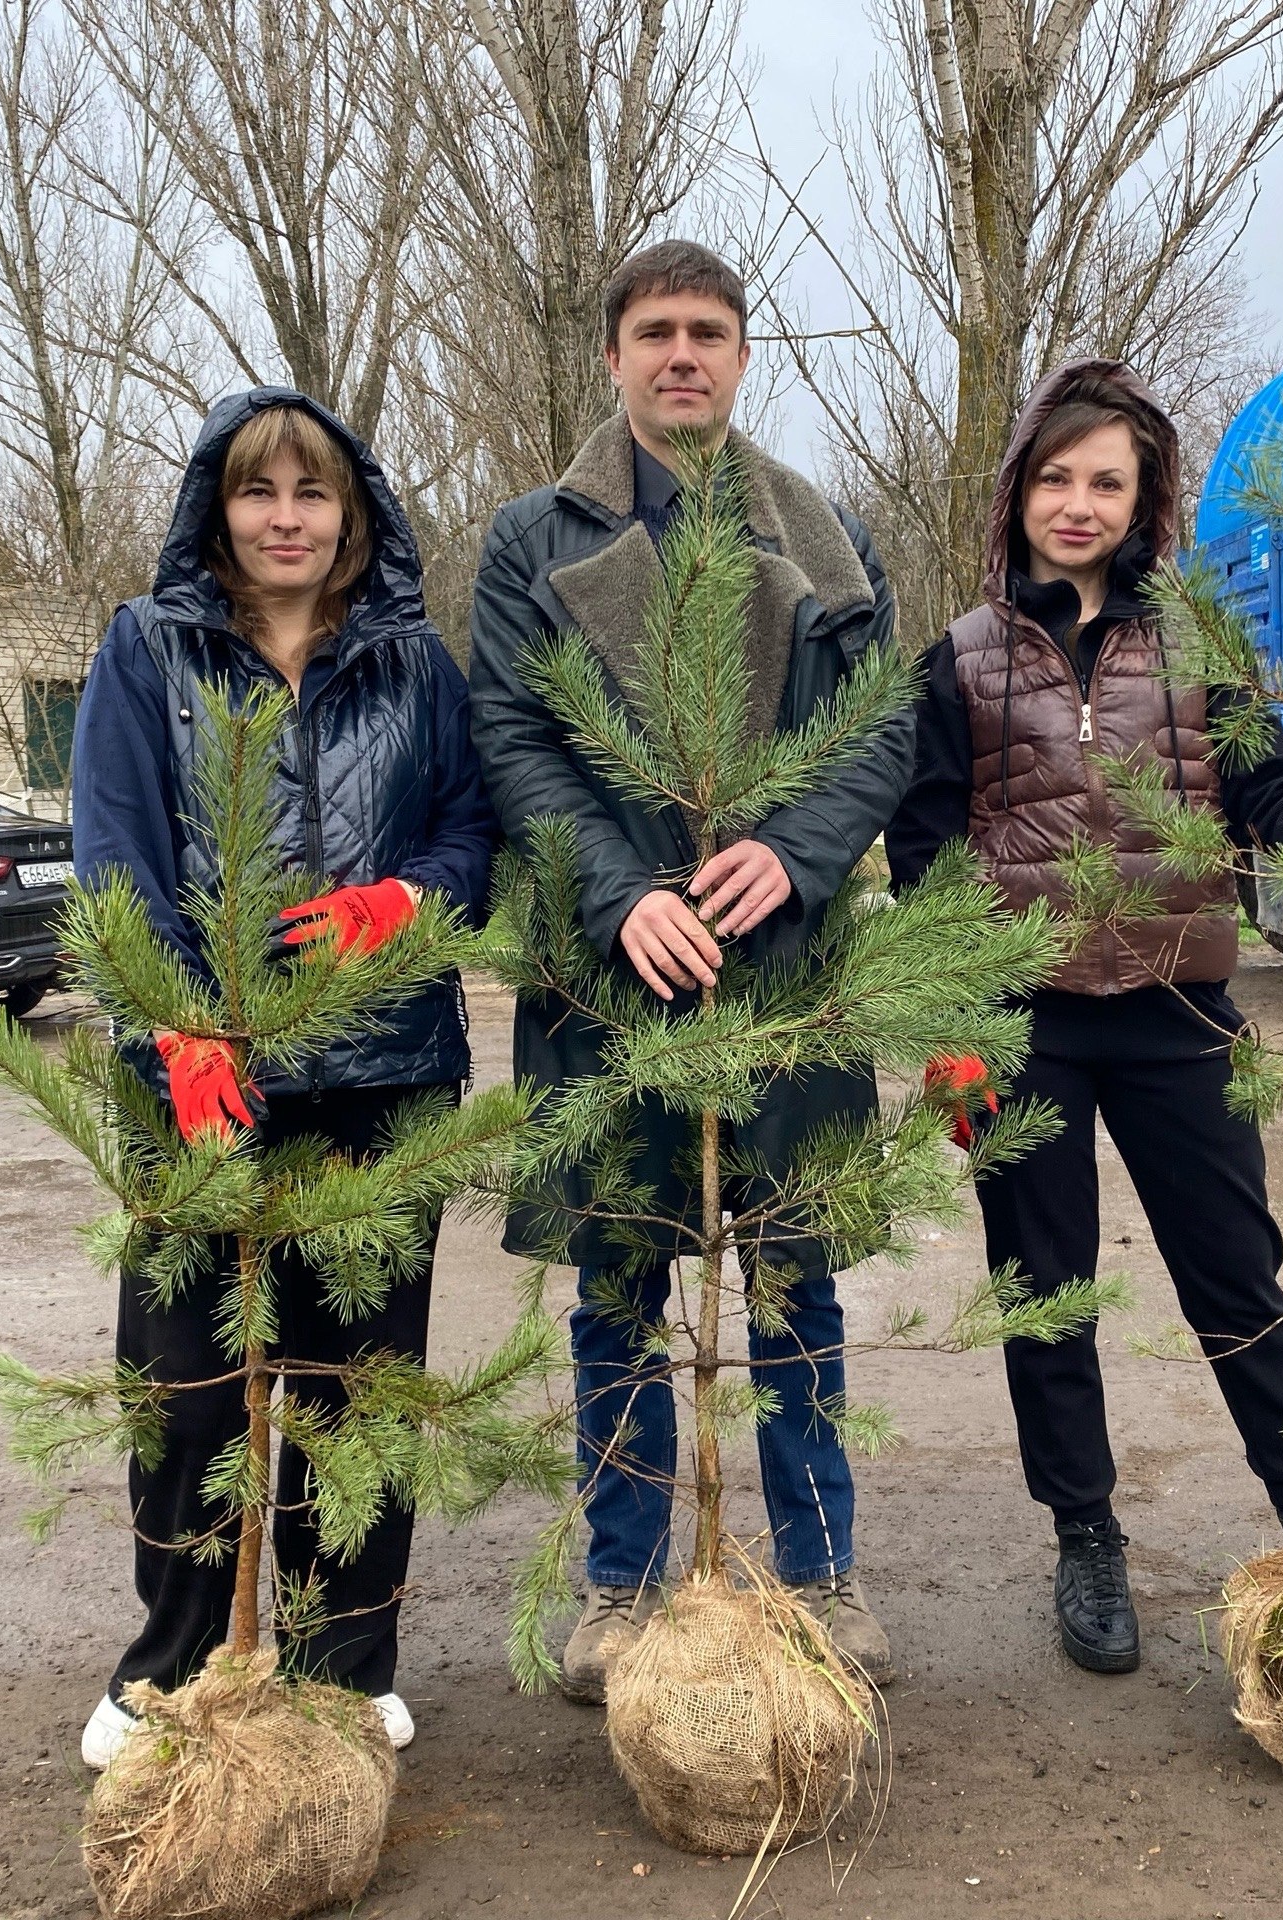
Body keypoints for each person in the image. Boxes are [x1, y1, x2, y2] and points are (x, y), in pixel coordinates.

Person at [884, 359, 1283, 1675]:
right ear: (1019, 490)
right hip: (1022, 1027)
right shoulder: (960, 660)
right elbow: (924, 856)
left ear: (1145, 507)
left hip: (1179, 1008)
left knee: (1235, 1280)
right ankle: (1086, 1536)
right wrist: (951, 1020)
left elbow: (1270, 781)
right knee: (1047, 1292)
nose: (1076, 504)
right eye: (1056, 477)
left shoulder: (1196, 639)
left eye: (1107, 483)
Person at [467, 240, 910, 1702]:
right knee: (615, 1292)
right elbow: (513, 741)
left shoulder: (827, 534)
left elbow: (882, 733)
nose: (681, 356)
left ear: (740, 356)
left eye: (708, 333)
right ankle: (617, 1584)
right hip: (613, 983)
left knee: (793, 1294)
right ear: (613, 357)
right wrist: (613, 895)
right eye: (654, 331)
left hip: (784, 972)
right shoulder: (534, 542)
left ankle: (821, 1572)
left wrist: (793, 848)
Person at [69, 388, 498, 1765]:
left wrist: (407, 906)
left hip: (381, 1075)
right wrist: (177, 1028)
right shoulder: (151, 654)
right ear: (219, 508)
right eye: (261, 492)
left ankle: (341, 1662)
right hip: (208, 1080)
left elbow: (469, 832)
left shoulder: (418, 667)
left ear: (352, 511)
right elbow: (116, 851)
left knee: (357, 1387)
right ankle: (172, 1670)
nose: (287, 519)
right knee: (191, 1386)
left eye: (312, 494)